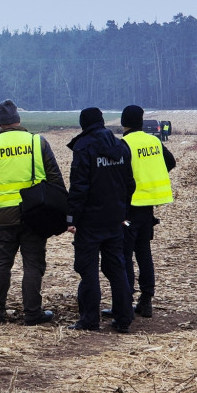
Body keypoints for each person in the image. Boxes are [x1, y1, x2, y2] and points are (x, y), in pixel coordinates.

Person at [0, 99, 65, 325]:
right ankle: (33, 313)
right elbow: (56, 181)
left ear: (0, 124)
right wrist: (60, 215)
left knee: (2, 263)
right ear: (18, 120)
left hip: (4, 216)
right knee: (33, 263)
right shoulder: (37, 142)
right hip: (35, 215)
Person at [65, 107, 136, 333]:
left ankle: (89, 319)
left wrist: (71, 218)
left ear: (83, 125)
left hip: (90, 221)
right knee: (117, 268)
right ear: (102, 122)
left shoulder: (83, 147)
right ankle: (124, 318)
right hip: (115, 219)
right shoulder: (121, 146)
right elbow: (129, 184)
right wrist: (123, 212)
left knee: (88, 270)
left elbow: (79, 188)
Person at [119, 105, 175, 318]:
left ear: (124, 123)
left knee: (125, 254)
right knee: (144, 253)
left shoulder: (125, 144)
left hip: (130, 207)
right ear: (141, 122)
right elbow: (171, 162)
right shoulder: (154, 141)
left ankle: (126, 300)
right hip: (149, 207)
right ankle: (146, 299)